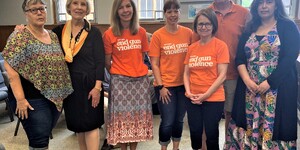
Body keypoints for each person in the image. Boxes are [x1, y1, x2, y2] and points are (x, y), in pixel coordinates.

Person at [224, 0, 300, 149]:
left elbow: (290, 57)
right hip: (249, 89)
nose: (264, 6)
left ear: (276, 5)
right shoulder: (250, 28)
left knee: (276, 126)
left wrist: (269, 82)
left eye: (269, 2)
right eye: (260, 3)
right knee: (245, 123)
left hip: (277, 88)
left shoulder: (287, 26)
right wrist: (247, 80)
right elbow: (239, 58)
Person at [2, 0, 73, 149]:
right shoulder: (19, 36)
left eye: (42, 8)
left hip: (53, 96)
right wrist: (20, 99)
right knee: (39, 141)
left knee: (44, 135)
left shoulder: (53, 35)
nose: (39, 12)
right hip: (31, 98)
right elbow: (11, 70)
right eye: (34, 10)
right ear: (26, 14)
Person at [52, 0, 105, 149]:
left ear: (87, 9)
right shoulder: (58, 31)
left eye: (83, 4)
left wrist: (97, 88)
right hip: (70, 87)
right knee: (78, 126)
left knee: (91, 124)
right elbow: (39, 37)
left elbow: (100, 62)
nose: (79, 7)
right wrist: (22, 30)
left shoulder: (93, 32)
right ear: (69, 7)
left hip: (90, 85)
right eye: (75, 3)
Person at [192, 0, 249, 136]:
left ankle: (228, 145)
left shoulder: (244, 13)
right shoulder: (204, 13)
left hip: (233, 75)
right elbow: (195, 45)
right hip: (207, 77)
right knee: (207, 117)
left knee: (230, 114)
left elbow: (250, 43)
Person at [103, 0, 153, 149]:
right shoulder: (109, 34)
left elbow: (144, 57)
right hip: (120, 82)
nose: (125, 10)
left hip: (139, 83)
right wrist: (120, 71)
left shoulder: (141, 32)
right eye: (121, 8)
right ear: (116, 11)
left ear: (133, 9)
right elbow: (107, 62)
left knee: (137, 120)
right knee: (122, 121)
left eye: (128, 6)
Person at [149, 0, 193, 150]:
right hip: (165, 86)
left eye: (176, 11)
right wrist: (161, 86)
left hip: (183, 86)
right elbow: (154, 63)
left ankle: (176, 147)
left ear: (180, 13)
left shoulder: (188, 33)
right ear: (165, 14)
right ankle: (163, 148)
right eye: (169, 11)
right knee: (167, 120)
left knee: (179, 119)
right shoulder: (157, 35)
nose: (173, 14)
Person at [183, 8, 229, 150]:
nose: (204, 27)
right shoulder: (192, 48)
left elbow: (222, 75)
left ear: (213, 25)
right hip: (193, 97)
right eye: (200, 24)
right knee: (195, 132)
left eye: (207, 24)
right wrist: (189, 92)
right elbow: (186, 73)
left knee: (211, 133)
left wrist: (206, 95)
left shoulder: (220, 46)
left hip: (213, 98)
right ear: (196, 26)